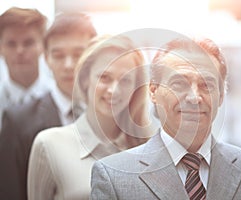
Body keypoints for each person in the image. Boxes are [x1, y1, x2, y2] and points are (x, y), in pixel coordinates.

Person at [90, 36, 241, 200]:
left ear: (221, 96)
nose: (194, 97)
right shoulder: (114, 176)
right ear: (153, 91)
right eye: (179, 84)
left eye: (207, 85)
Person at [27, 35, 157, 200]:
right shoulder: (49, 144)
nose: (113, 90)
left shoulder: (151, 147)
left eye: (125, 80)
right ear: (85, 79)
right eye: (104, 77)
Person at [0, 12, 97, 200]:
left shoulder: (111, 114)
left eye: (78, 54)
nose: (68, 65)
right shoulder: (18, 121)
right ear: (46, 58)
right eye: (58, 55)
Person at [0, 7, 49, 129]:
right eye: (11, 44)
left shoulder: (60, 100)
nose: (20, 51)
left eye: (28, 43)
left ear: (43, 46)